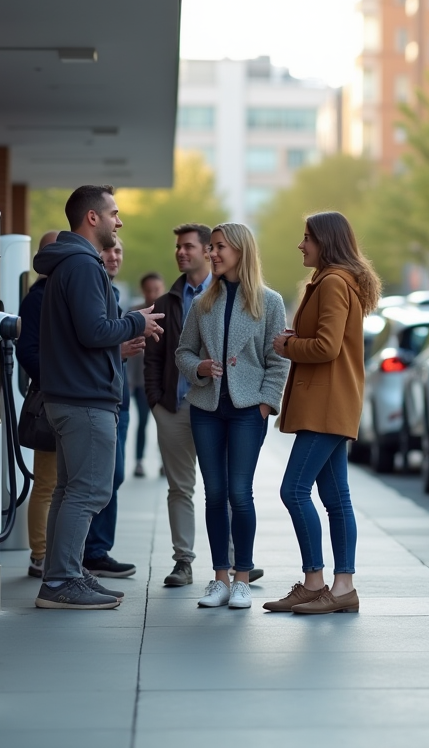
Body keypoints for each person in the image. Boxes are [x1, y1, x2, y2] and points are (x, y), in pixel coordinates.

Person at [32, 185, 163, 610]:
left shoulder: (68, 265)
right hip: (84, 399)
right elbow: (94, 330)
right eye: (113, 213)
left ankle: (61, 574)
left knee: (70, 490)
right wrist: (134, 322)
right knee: (88, 492)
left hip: (72, 396)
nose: (118, 221)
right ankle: (62, 580)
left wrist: (119, 335)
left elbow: (82, 335)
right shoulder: (84, 267)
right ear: (92, 218)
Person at [267, 211, 380, 615]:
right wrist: (299, 339)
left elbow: (327, 347)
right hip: (331, 402)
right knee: (334, 497)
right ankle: (342, 586)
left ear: (326, 242)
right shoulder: (333, 281)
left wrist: (287, 346)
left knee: (293, 490)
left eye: (307, 238)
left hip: (326, 404)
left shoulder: (332, 283)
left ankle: (317, 582)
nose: (301, 244)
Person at [175, 223, 288, 609]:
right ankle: (219, 578)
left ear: (241, 250)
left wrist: (265, 404)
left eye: (219, 247)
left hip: (246, 411)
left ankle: (242, 577)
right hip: (207, 408)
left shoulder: (269, 302)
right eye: (211, 248)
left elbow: (278, 362)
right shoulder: (202, 302)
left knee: (240, 493)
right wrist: (199, 368)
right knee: (214, 494)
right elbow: (182, 352)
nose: (213, 254)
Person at [143, 224, 215, 587]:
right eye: (178, 247)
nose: (181, 252)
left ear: (206, 251)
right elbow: (153, 357)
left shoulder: (226, 293)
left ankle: (235, 562)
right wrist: (156, 403)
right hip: (174, 408)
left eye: (188, 246)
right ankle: (183, 562)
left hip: (216, 408)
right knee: (179, 489)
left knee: (225, 488)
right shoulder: (168, 300)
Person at [81, 238, 143, 578]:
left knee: (112, 477)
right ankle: (86, 552)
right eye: (109, 250)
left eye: (120, 250)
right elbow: (88, 341)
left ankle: (98, 550)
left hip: (118, 398)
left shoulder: (114, 294)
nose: (114, 255)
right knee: (92, 481)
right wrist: (117, 353)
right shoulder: (89, 288)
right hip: (94, 399)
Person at [15, 230, 61, 579]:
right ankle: (40, 555)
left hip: (73, 399)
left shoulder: (65, 293)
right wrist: (59, 379)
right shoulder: (37, 299)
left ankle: (62, 554)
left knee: (68, 483)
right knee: (46, 482)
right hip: (51, 401)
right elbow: (27, 351)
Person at [130, 272, 165, 478]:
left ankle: (164, 461)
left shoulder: (169, 313)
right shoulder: (134, 314)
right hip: (141, 382)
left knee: (163, 424)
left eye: (156, 290)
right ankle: (139, 461)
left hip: (162, 383)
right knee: (142, 421)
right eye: (149, 290)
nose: (152, 294)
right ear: (143, 290)